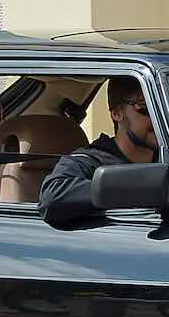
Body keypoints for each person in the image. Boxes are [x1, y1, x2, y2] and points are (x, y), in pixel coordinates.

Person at [39, 76, 159, 228]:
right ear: (117, 113)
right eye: (145, 109)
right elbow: (52, 197)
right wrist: (136, 188)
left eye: (162, 110)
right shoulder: (90, 160)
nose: (157, 119)